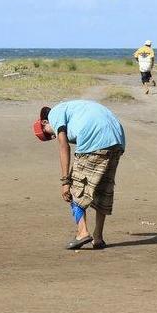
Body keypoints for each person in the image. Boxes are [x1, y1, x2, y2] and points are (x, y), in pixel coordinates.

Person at [33, 100, 125, 249]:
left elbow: (64, 146)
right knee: (102, 190)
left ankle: (82, 232)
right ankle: (98, 237)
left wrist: (65, 182)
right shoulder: (74, 109)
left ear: (44, 121)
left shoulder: (55, 113)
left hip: (95, 138)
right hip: (117, 139)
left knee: (73, 189)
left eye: (48, 133)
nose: (53, 136)